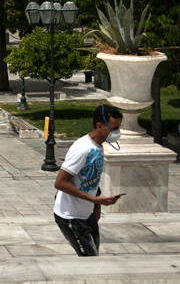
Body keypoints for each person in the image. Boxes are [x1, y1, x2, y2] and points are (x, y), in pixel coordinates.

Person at [53, 104, 123, 257]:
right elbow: (60, 183)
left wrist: (96, 206)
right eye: (114, 128)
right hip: (70, 217)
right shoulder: (83, 149)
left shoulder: (98, 147)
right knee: (89, 260)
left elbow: (92, 179)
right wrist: (92, 199)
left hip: (87, 215)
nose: (117, 132)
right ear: (99, 125)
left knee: (93, 256)